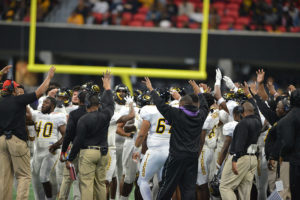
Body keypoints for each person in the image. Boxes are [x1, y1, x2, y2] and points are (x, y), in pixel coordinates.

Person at [143, 77, 209, 199]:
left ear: (181, 104)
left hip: (177, 155)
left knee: (168, 186)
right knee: (189, 189)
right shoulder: (200, 115)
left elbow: (160, 104)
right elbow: (205, 104)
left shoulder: (176, 113)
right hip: (192, 156)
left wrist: (151, 89)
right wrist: (198, 90)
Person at [0, 66, 56, 200]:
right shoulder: (18, 100)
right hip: (16, 140)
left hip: (1, 141)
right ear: (13, 90)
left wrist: (1, 74)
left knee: (4, 176)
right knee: (23, 175)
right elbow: (40, 92)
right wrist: (48, 77)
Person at [66, 70, 114, 200]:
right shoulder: (106, 115)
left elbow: (78, 140)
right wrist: (107, 87)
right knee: (100, 184)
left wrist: (70, 158)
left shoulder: (84, 119)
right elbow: (110, 104)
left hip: (88, 152)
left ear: (87, 105)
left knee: (86, 184)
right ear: (98, 105)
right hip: (104, 152)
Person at [219, 82, 262, 200]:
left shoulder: (243, 123)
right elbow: (256, 109)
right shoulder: (258, 121)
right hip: (253, 159)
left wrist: (234, 160)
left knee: (225, 187)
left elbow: (240, 143)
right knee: (245, 192)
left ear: (242, 111)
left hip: (241, 158)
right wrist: (249, 95)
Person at [30, 96, 67, 200]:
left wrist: (56, 145)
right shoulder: (37, 114)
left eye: (46, 103)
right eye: (43, 102)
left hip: (50, 152)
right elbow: (27, 113)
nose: (43, 104)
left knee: (44, 177)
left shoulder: (58, 116)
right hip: (38, 152)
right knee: (38, 180)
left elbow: (66, 135)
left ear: (52, 106)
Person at [58, 90, 88, 200]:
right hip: (90, 149)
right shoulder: (96, 113)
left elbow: (68, 134)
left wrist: (63, 151)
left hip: (74, 147)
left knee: (67, 178)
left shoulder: (74, 114)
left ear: (79, 100)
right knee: (86, 180)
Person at [277, 88, 300, 200]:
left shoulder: (287, 119)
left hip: (292, 162)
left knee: (287, 192)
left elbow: (288, 143)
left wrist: (281, 154)